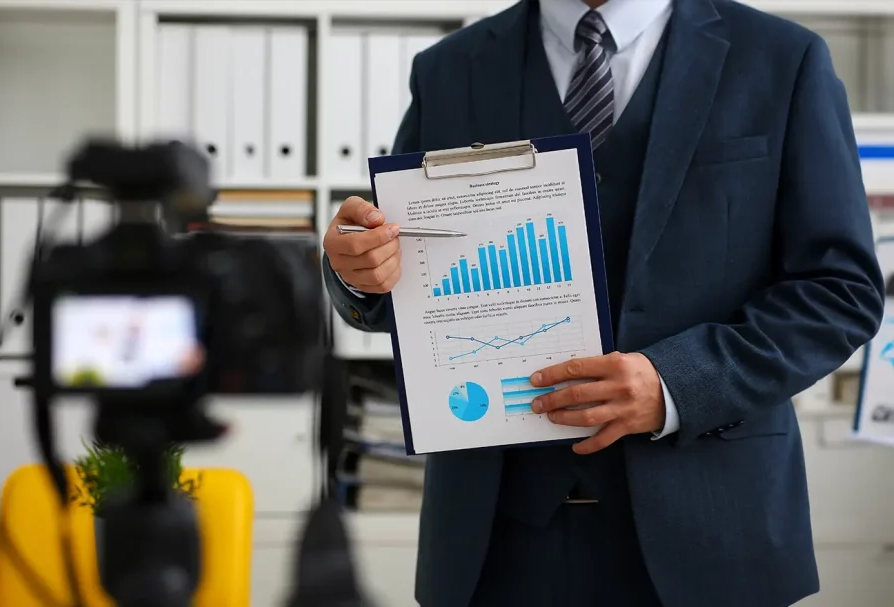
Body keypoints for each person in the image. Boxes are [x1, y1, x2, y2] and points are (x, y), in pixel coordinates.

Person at [322, 0, 885, 605]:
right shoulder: (449, 68)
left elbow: (839, 291)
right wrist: (358, 268)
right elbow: (403, 271)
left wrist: (675, 383)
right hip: (494, 545)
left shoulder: (784, 59)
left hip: (712, 535)